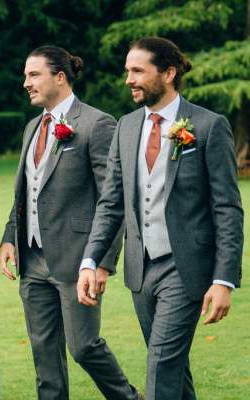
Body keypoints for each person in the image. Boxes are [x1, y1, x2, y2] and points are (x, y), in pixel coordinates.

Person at [77, 37, 243, 400]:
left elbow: (227, 209)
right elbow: (111, 203)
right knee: (173, 366)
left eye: (137, 71)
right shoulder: (126, 126)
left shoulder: (209, 126)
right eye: (127, 71)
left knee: (161, 363)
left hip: (187, 269)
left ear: (168, 73)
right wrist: (91, 260)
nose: (128, 79)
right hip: (141, 270)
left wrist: (223, 280)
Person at [0, 45, 141, 400]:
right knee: (44, 354)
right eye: (25, 75)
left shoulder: (96, 124)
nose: (25, 83)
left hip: (79, 261)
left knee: (83, 347)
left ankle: (130, 398)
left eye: (34, 75)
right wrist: (9, 238)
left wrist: (103, 262)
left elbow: (114, 199)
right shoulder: (33, 127)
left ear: (59, 77)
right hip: (31, 259)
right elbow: (25, 190)